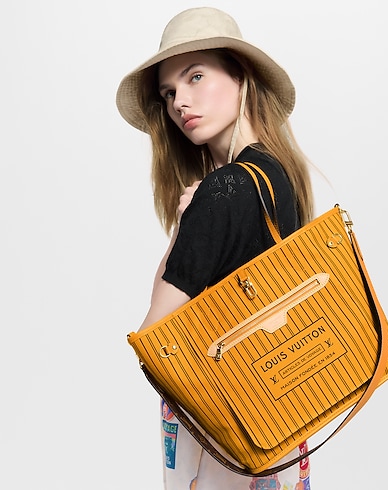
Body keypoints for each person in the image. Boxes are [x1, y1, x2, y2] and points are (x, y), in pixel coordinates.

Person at [116, 7, 314, 490]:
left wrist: (184, 226)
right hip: (279, 416)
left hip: (225, 433)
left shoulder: (223, 190)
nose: (179, 102)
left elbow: (154, 338)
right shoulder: (278, 175)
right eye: (168, 93)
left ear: (240, 77)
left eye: (195, 77)